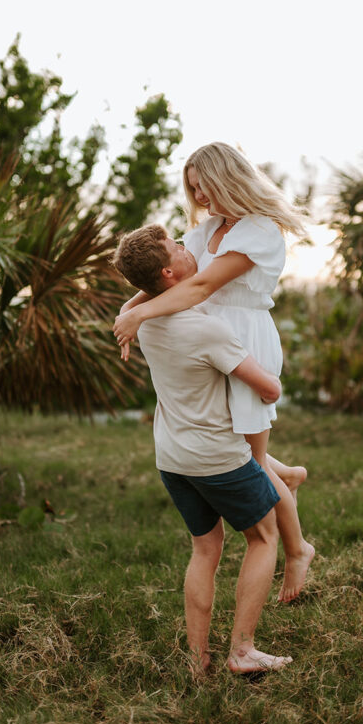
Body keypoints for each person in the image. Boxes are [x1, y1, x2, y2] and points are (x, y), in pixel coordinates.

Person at [113, 142, 314, 602]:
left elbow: (201, 284)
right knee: (234, 448)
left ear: (228, 179)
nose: (199, 198)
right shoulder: (205, 233)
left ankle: (298, 549)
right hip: (207, 344)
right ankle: (291, 479)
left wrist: (138, 317)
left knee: (253, 462)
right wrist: (130, 307)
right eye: (193, 190)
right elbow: (171, 279)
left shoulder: (259, 231)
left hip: (245, 341)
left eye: (204, 187)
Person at [112, 223, 294, 675]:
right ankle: (242, 650)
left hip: (172, 459)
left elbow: (137, 303)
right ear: (171, 272)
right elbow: (269, 390)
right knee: (264, 537)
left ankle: (198, 661)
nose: (183, 244)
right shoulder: (208, 330)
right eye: (175, 246)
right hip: (217, 458)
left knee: (205, 548)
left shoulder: (148, 323)